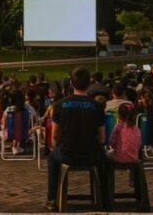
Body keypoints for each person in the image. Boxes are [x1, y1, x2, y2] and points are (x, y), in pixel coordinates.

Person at [46, 67, 105, 211]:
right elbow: (102, 138)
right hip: (91, 154)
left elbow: (54, 135)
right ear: (89, 83)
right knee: (105, 159)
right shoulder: (97, 106)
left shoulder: (59, 105)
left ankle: (52, 198)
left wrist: (57, 146)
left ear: (71, 83)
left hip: (67, 153)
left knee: (52, 158)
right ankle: (104, 197)